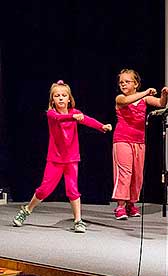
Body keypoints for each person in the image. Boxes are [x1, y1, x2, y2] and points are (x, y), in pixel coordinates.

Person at [12, 80, 112, 233]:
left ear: (69, 98)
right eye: (57, 96)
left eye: (63, 95)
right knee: (44, 190)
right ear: (52, 100)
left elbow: (88, 120)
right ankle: (27, 210)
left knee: (72, 189)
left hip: (72, 158)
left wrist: (102, 126)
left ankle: (78, 220)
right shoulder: (51, 114)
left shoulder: (74, 112)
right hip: (55, 159)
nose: (60, 98)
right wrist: (74, 118)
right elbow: (60, 119)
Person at [112, 69, 168, 220]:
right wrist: (145, 92)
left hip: (139, 141)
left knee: (137, 174)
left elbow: (160, 103)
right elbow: (126, 101)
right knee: (125, 173)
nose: (123, 84)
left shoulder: (144, 99)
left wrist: (164, 94)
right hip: (122, 140)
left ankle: (131, 203)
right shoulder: (120, 98)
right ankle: (120, 206)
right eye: (121, 82)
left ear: (135, 83)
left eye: (127, 81)